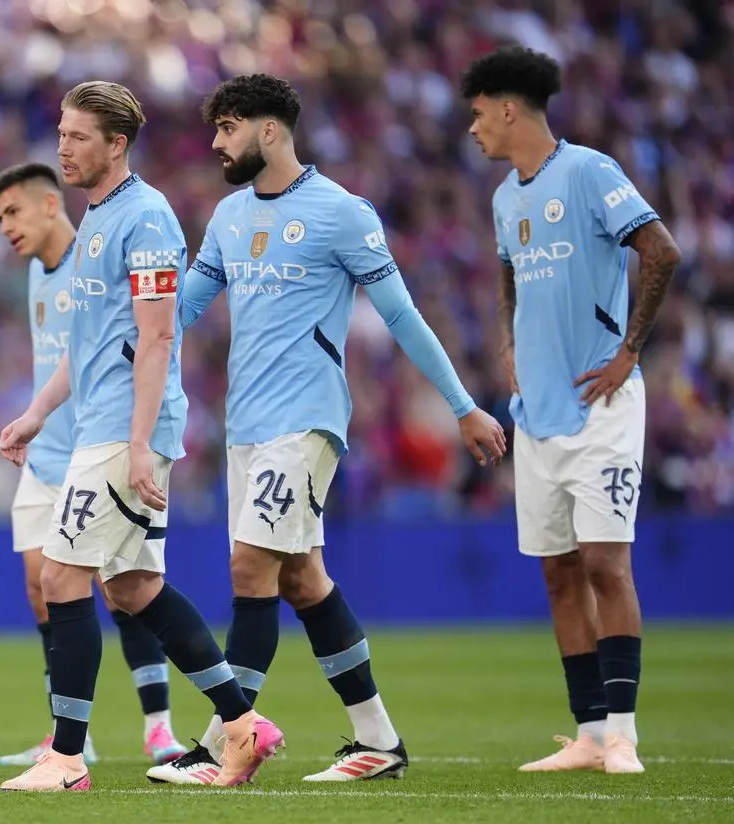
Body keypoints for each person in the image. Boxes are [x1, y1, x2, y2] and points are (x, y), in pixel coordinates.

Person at [147, 73, 507, 785]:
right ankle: (377, 741)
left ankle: (228, 743)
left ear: (269, 130)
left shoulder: (341, 212)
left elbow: (401, 313)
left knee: (250, 569)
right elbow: (179, 313)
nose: (217, 143)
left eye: (227, 128)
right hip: (245, 429)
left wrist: (462, 404)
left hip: (305, 421)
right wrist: (114, 348)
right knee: (303, 580)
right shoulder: (227, 218)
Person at [0, 81, 284, 792]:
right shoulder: (97, 220)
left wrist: (135, 442)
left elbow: (157, 336)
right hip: (102, 424)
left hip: (123, 431)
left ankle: (64, 759)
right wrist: (36, 413)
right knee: (130, 588)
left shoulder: (146, 217)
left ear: (116, 145)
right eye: (60, 133)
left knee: (62, 576)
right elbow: (88, 340)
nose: (63, 146)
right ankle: (243, 727)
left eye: (78, 136)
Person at [460, 45, 682, 775]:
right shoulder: (503, 198)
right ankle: (587, 736)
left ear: (506, 107)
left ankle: (622, 733)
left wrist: (629, 349)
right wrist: (506, 339)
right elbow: (505, 270)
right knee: (557, 573)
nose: (472, 130)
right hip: (537, 412)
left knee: (604, 565)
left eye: (476, 115)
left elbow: (660, 250)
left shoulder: (587, 171)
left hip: (601, 407)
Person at [0, 161, 188, 768]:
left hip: (96, 449)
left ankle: (159, 725)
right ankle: (67, 731)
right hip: (44, 454)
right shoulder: (34, 274)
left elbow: (150, 337)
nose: (5, 227)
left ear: (51, 204)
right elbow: (59, 358)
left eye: (13, 211)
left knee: (120, 588)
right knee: (40, 587)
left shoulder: (98, 257)